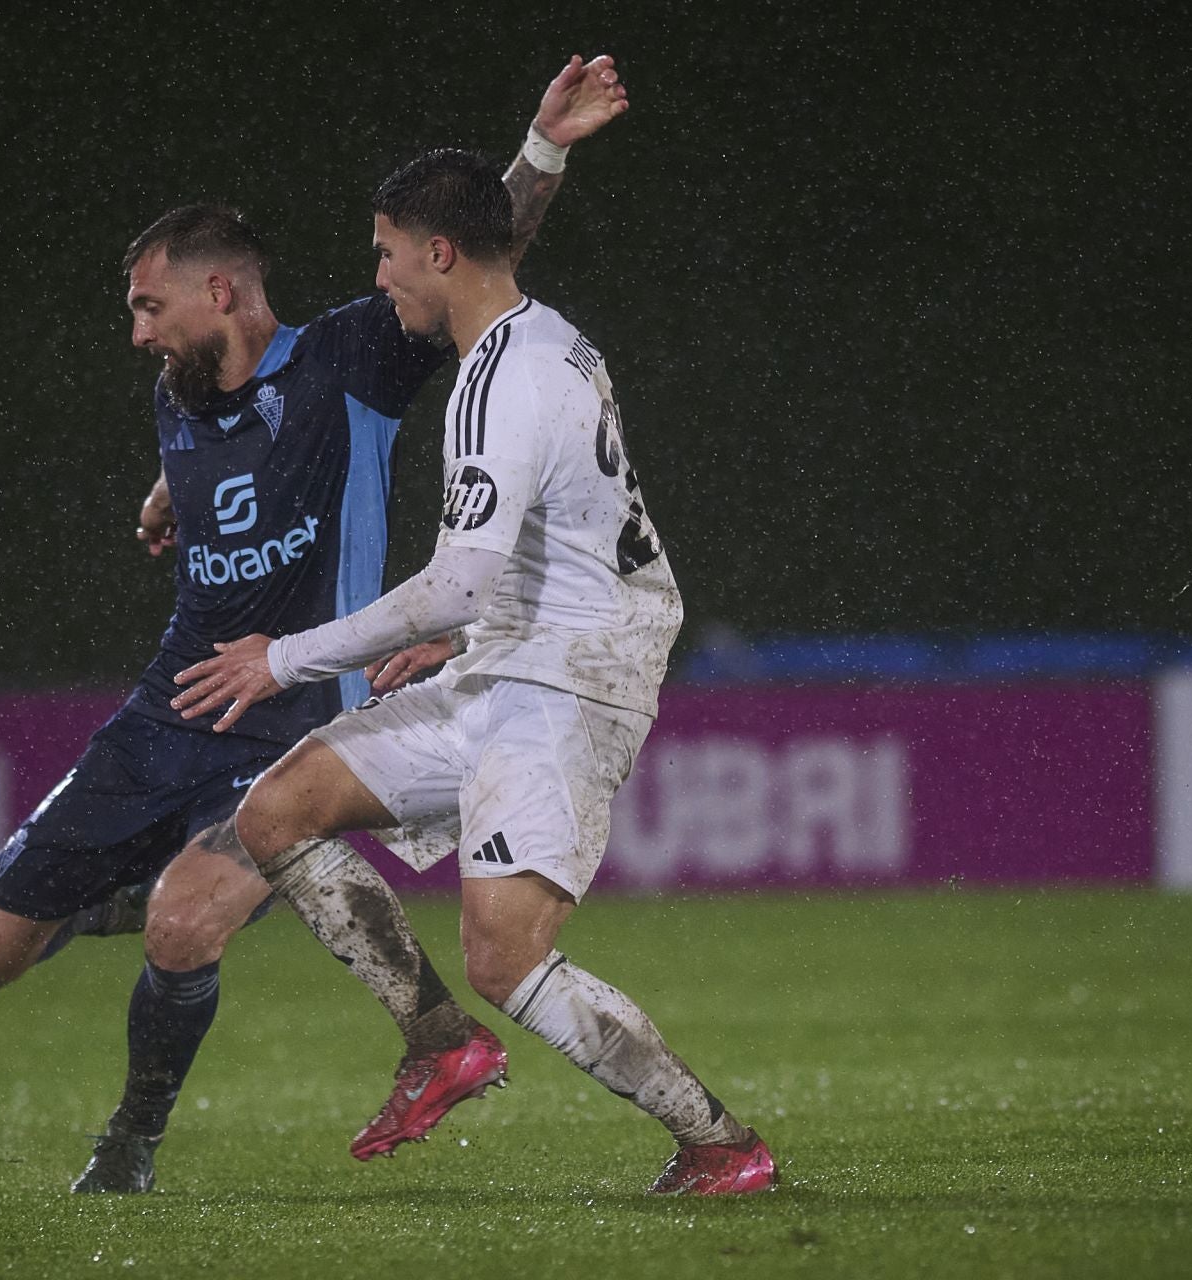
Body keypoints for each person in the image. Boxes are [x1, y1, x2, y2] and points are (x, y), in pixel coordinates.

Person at [0, 56, 635, 1194]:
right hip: (173, 706)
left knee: (180, 927)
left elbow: (474, 255)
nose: (135, 335)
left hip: (293, 715)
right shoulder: (179, 394)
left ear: (221, 294)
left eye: (147, 307)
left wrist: (543, 148)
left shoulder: (351, 360)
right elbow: (215, 467)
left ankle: (131, 1142)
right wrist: (168, 497)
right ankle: (166, 881)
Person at [168, 147, 778, 1195]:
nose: (379, 278)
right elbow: (565, 528)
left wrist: (287, 658)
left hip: (569, 682)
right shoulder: (545, 341)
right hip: (511, 659)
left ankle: (719, 1142)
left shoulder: (505, 377)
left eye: (387, 254)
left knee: (506, 956)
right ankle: (437, 1040)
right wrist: (465, 632)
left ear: (439, 252)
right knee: (278, 810)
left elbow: (456, 581)